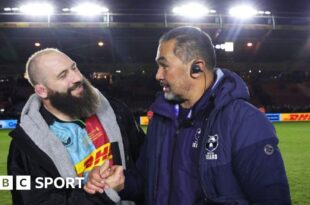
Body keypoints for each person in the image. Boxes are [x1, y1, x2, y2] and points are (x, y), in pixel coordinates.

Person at [85, 26, 291, 204]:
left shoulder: (244, 121)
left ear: (196, 68)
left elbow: (272, 199)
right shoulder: (161, 119)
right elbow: (148, 182)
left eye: (164, 65)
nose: (157, 75)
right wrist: (122, 181)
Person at [7, 48, 144, 205]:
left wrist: (127, 182)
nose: (77, 77)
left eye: (74, 67)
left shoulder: (116, 111)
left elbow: (146, 166)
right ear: (42, 91)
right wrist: (104, 194)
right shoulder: (25, 147)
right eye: (63, 75)